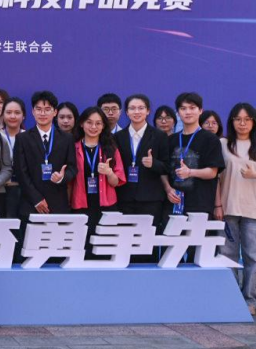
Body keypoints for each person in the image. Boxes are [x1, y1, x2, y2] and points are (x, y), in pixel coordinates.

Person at [217, 103, 256, 315]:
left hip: (254, 210)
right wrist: (217, 205)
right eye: (238, 119)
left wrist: (255, 175)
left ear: (253, 122)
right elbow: (216, 177)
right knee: (228, 255)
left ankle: (249, 300)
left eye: (247, 119)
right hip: (228, 209)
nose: (242, 124)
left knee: (253, 257)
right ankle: (231, 297)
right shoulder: (223, 144)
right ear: (231, 122)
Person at [113, 94, 171, 241]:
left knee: (148, 242)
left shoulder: (159, 136)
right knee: (126, 241)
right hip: (124, 198)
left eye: (141, 108)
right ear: (126, 112)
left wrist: (154, 164)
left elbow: (167, 166)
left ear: (148, 111)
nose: (136, 112)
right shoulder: (118, 137)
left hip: (151, 199)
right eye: (132, 108)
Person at [13, 90, 77, 218]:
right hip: (31, 204)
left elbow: (72, 168)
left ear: (55, 112)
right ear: (33, 111)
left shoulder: (67, 138)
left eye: (47, 109)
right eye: (39, 109)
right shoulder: (22, 138)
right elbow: (20, 172)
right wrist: (36, 199)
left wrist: (62, 177)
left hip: (58, 204)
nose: (42, 113)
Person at [166, 93, 225, 222]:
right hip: (173, 205)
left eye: (192, 108)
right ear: (178, 113)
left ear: (200, 110)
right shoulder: (171, 140)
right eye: (183, 108)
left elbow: (212, 172)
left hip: (200, 205)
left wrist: (190, 172)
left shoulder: (211, 139)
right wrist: (168, 189)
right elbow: (164, 170)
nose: (188, 112)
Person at [70, 106, 126, 237]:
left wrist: (109, 173)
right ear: (81, 124)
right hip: (81, 205)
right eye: (89, 122)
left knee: (105, 243)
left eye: (98, 123)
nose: (93, 127)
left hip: (106, 206)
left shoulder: (111, 149)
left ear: (103, 126)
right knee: (82, 243)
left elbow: (116, 182)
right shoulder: (72, 148)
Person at [0, 97, 27, 244]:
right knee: (4, 229)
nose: (12, 116)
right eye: (9, 112)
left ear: (24, 116)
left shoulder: (29, 137)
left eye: (17, 112)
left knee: (21, 230)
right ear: (2, 114)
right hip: (1, 190)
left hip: (24, 190)